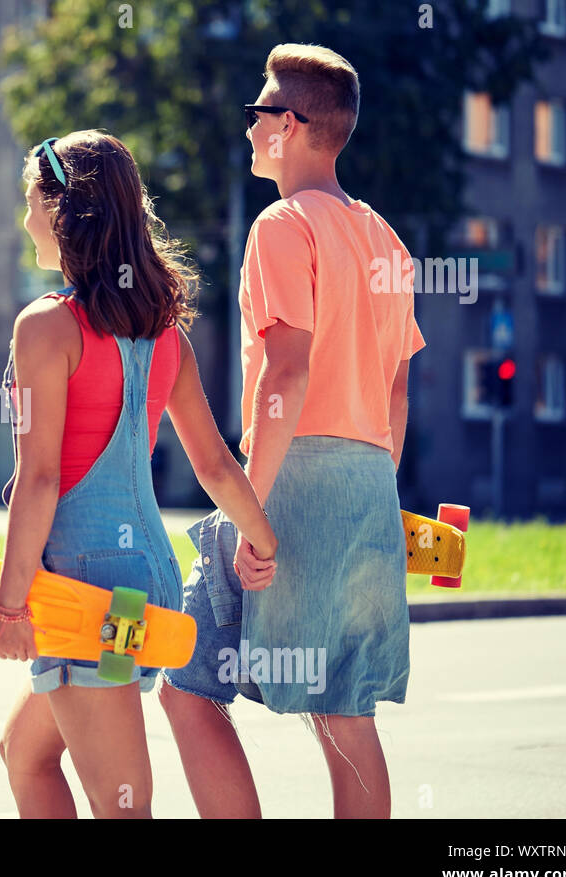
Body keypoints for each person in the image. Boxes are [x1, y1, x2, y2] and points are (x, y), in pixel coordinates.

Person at [158, 44, 427, 819]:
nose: (247, 129)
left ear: (295, 125)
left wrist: (255, 513)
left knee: (185, 679)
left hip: (289, 482)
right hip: (368, 479)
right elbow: (399, 393)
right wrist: (373, 493)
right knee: (346, 710)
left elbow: (286, 375)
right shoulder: (386, 240)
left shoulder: (281, 225)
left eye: (259, 113)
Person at [0, 129, 277, 819]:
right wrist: (260, 539)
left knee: (123, 806)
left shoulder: (46, 328)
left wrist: (9, 605)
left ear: (63, 210)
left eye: (31, 200)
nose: (24, 219)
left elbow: (41, 479)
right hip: (148, 575)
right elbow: (215, 462)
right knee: (24, 751)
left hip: (88, 593)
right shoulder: (163, 331)